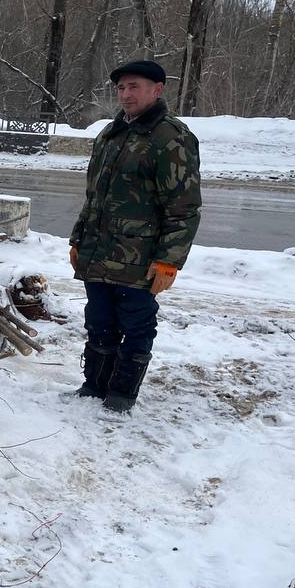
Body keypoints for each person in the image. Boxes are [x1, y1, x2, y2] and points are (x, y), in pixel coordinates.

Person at [69, 59, 202, 412]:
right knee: (98, 322)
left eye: (134, 87)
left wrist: (168, 261)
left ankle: (122, 394)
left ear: (157, 90)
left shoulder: (171, 138)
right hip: (98, 253)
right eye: (121, 88)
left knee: (137, 327)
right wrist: (77, 238)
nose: (125, 94)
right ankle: (94, 386)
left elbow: (183, 208)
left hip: (139, 261)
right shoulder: (109, 135)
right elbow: (93, 197)